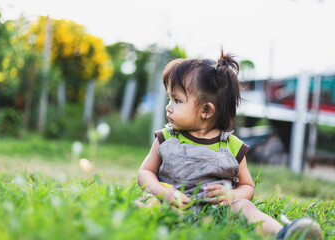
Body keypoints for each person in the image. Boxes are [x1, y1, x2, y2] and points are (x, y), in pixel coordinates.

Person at [137, 49, 323, 239]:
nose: (169, 106)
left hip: (218, 214)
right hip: (173, 206)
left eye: (177, 100)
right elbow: (145, 172)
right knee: (151, 201)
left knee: (244, 207)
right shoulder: (167, 137)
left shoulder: (231, 146)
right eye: (170, 98)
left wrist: (231, 195)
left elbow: (247, 187)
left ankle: (284, 233)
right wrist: (161, 192)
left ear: (206, 111)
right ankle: (142, 221)